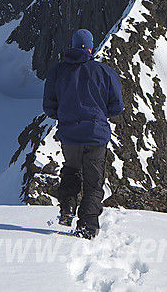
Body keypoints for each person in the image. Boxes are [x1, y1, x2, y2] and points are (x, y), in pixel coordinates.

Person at [42, 29, 124, 239]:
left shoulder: (58, 72)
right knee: (93, 181)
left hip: (70, 135)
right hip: (96, 134)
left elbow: (49, 106)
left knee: (71, 170)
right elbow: (116, 106)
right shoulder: (105, 72)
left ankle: (68, 208)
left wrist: (65, 116)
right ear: (90, 46)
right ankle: (87, 225)